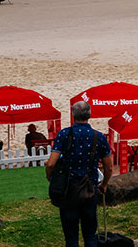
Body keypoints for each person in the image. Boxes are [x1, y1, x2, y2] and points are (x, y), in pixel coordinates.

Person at [46, 101, 113, 247]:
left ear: (72, 115)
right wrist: (104, 184)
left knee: (71, 237)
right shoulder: (99, 137)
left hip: (68, 190)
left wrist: (50, 178)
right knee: (90, 235)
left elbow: (51, 163)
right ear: (89, 115)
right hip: (89, 188)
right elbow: (108, 167)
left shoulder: (64, 134)